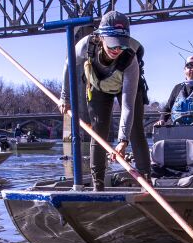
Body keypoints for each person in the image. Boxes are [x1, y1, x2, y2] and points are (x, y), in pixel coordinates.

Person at [61, 10, 151, 190]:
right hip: (98, 86)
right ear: (101, 37)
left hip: (126, 88)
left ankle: (146, 182)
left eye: (121, 46)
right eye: (112, 45)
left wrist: (123, 140)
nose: (117, 50)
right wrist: (65, 97)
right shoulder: (85, 46)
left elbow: (127, 106)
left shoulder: (130, 60)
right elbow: (68, 64)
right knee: (98, 130)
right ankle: (98, 185)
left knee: (136, 131)